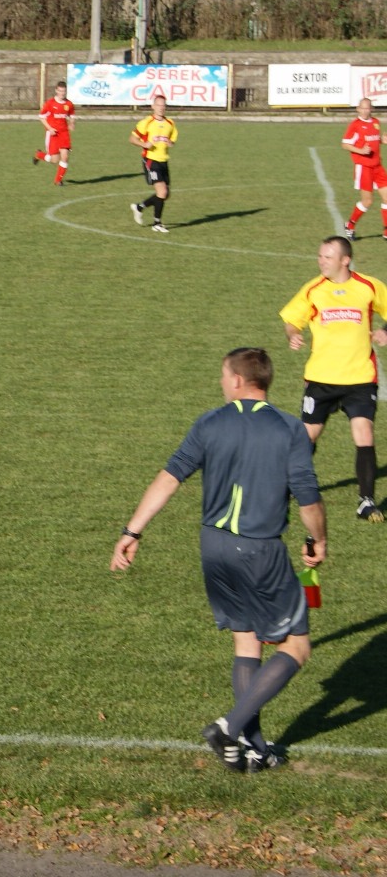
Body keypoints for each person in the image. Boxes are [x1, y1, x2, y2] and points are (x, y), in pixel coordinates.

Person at [111, 347, 325, 773]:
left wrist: (132, 531)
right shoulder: (288, 429)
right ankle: (230, 727)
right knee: (297, 647)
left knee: (246, 641)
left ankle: (253, 749)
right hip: (260, 549)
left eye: (224, 375)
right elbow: (307, 494)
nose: (222, 382)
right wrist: (317, 539)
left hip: (214, 546)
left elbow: (170, 477)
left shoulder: (210, 422)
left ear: (239, 380)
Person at [280, 235, 387, 521]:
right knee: (307, 438)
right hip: (321, 378)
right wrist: (294, 334)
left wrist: (384, 331)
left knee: (364, 434)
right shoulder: (314, 289)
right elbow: (291, 319)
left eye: (327, 257)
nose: (321, 261)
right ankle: (286, 488)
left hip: (360, 378)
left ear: (345, 260)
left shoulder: (368, 287)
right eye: (320, 256)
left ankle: (366, 500)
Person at [341, 98, 387, 240]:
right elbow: (344, 144)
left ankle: (386, 231)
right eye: (364, 108)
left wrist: (382, 140)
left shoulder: (376, 123)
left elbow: (375, 139)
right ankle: (350, 225)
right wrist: (360, 151)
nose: (366, 110)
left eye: (368, 108)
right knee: (367, 201)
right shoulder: (355, 125)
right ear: (358, 109)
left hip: (377, 166)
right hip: (364, 167)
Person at [129, 95, 175, 234]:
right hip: (150, 160)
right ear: (153, 106)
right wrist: (144, 144)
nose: (161, 108)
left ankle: (139, 207)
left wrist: (170, 143)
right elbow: (131, 138)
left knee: (165, 195)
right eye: (158, 105)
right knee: (162, 192)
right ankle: (157, 223)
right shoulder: (146, 122)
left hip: (163, 160)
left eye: (163, 105)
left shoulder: (170, 123)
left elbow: (172, 140)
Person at [32, 80, 75, 187]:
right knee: (54, 160)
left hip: (64, 133)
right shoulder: (50, 104)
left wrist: (71, 123)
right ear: (56, 90)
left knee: (64, 157)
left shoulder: (69, 104)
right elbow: (41, 117)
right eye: (60, 91)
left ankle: (58, 180)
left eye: (63, 92)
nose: (62, 94)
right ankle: (39, 155)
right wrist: (50, 128)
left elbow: (72, 115)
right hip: (53, 134)